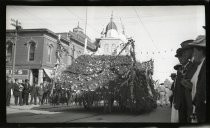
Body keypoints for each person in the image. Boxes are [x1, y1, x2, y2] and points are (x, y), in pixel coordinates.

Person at [181, 35, 206, 122]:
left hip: (200, 109)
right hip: (195, 106)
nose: (194, 54)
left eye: (194, 51)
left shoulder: (203, 65)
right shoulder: (201, 64)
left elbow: (202, 90)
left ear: (201, 50)